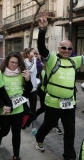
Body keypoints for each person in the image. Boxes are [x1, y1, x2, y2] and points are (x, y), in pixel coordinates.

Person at [35, 17, 84, 160]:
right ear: (59, 49)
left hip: (69, 104)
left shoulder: (74, 61)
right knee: (48, 125)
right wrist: (42, 30)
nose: (66, 50)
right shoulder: (52, 60)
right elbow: (42, 48)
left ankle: (69, 156)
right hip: (53, 104)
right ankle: (39, 138)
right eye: (64, 48)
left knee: (70, 132)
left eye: (69, 48)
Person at [0, 51, 31, 160]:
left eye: (17, 63)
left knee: (17, 133)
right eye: (12, 62)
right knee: (5, 130)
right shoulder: (0, 73)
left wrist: (28, 80)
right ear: (7, 62)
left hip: (18, 109)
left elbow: (28, 91)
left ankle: (16, 155)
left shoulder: (22, 73)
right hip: (5, 109)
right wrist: (2, 105)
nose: (14, 65)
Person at [24, 48, 38, 134]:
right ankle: (25, 121)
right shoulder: (25, 61)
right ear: (28, 53)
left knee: (33, 107)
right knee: (24, 107)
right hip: (25, 88)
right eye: (33, 51)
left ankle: (34, 127)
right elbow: (30, 69)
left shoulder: (34, 60)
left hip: (34, 88)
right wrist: (35, 59)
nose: (35, 53)